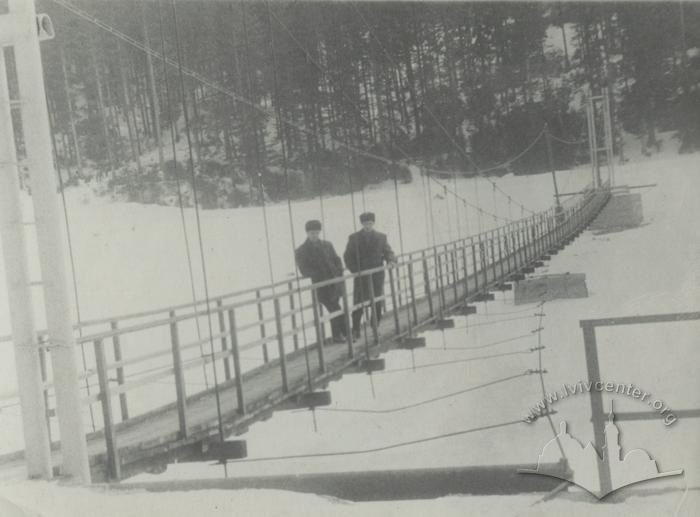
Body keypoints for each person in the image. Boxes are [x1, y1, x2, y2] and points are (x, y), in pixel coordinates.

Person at [343, 212, 396, 340]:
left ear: (373, 223)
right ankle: (356, 329)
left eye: (370, 224)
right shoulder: (354, 238)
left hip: (377, 275)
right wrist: (355, 270)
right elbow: (347, 256)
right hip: (361, 275)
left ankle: (375, 327)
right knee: (358, 303)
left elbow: (388, 252)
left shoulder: (381, 237)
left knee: (377, 302)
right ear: (362, 224)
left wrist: (391, 260)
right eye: (365, 224)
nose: (368, 226)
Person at [295, 220, 347, 343]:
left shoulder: (327, 245)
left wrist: (338, 272)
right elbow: (304, 270)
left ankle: (340, 335)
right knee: (335, 309)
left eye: (317, 233)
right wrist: (320, 274)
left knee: (336, 309)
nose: (315, 235)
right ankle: (342, 334)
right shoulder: (301, 250)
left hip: (334, 283)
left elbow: (337, 259)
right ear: (307, 233)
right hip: (321, 286)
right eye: (312, 233)